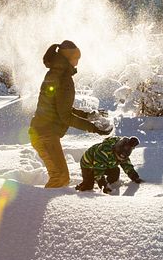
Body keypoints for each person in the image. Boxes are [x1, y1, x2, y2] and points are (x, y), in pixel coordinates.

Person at [29, 40, 112, 188]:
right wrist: (94, 128)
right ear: (68, 58)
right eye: (76, 58)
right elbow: (65, 117)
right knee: (60, 178)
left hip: (43, 133)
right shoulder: (62, 78)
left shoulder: (55, 74)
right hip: (45, 134)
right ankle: (33, 207)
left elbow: (62, 108)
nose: (77, 63)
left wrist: (88, 115)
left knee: (60, 178)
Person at [75, 136, 143, 194]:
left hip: (106, 164)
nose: (120, 160)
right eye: (118, 157)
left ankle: (107, 183)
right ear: (115, 151)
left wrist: (134, 176)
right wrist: (103, 184)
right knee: (88, 186)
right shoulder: (103, 152)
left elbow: (126, 165)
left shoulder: (123, 153)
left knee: (115, 172)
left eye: (121, 159)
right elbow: (99, 169)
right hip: (89, 165)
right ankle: (84, 184)